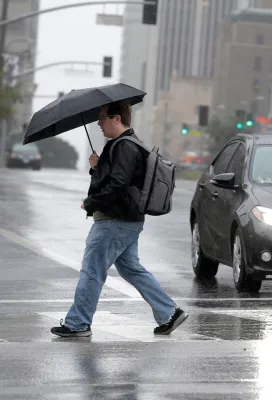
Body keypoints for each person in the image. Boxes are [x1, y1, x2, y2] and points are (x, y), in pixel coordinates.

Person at [51, 100, 188, 337]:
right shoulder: (127, 144)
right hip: (128, 220)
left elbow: (118, 185)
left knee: (92, 270)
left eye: (102, 118)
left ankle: (78, 323)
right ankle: (169, 312)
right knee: (131, 269)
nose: (99, 123)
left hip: (114, 220)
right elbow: (119, 180)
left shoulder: (123, 146)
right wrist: (97, 168)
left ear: (116, 119)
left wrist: (91, 202)